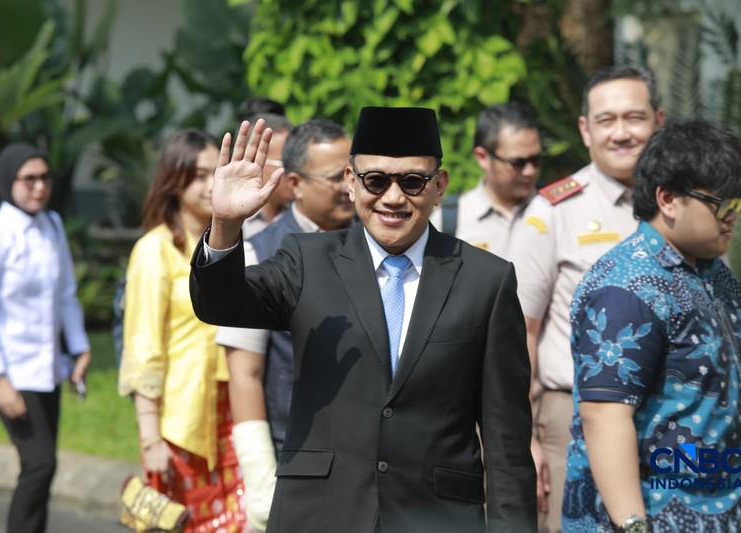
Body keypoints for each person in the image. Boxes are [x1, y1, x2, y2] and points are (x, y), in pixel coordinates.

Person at [190, 108, 537, 532]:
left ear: (439, 186)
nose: (393, 198)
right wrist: (225, 224)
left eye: (412, 182)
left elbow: (507, 443)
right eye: (376, 181)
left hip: (437, 516)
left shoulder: (486, 280)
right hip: (321, 513)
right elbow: (220, 305)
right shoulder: (306, 260)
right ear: (352, 184)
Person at [562, 119, 741, 532]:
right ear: (667, 199)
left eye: (740, 205)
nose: (734, 217)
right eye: (722, 205)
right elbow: (605, 416)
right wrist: (633, 525)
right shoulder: (626, 288)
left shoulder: (717, 276)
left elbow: (740, 381)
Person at [511, 65, 664, 532]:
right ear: (584, 129)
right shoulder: (553, 212)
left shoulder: (678, 206)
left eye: (634, 117)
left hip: (664, 414)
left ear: (659, 120)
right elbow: (520, 332)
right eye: (606, 120)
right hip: (570, 416)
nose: (621, 133)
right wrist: (524, 440)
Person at [217, 118, 354, 532]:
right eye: (336, 178)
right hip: (294, 448)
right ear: (294, 183)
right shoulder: (262, 251)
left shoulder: (377, 241)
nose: (351, 188)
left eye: (354, 175)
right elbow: (244, 373)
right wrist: (260, 476)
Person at [117, 129, 247, 531]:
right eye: (199, 175)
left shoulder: (229, 243)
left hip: (234, 411)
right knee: (184, 522)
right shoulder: (155, 250)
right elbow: (142, 347)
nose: (212, 185)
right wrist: (151, 437)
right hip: (179, 418)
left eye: (217, 173)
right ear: (175, 181)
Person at [0, 142, 91, 533]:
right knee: (41, 463)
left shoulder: (52, 224)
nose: (39, 187)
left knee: (41, 467)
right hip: (8, 371)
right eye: (29, 179)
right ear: (8, 180)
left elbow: (65, 295)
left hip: (46, 367)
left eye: (45, 178)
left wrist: (78, 347)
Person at [432, 101, 541, 255]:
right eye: (518, 163)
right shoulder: (450, 220)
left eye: (536, 160)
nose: (529, 171)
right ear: (483, 157)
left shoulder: (555, 211)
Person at [239, 113, 294, 238]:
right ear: (253, 162)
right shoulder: (230, 221)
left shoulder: (302, 216)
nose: (295, 171)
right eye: (287, 163)